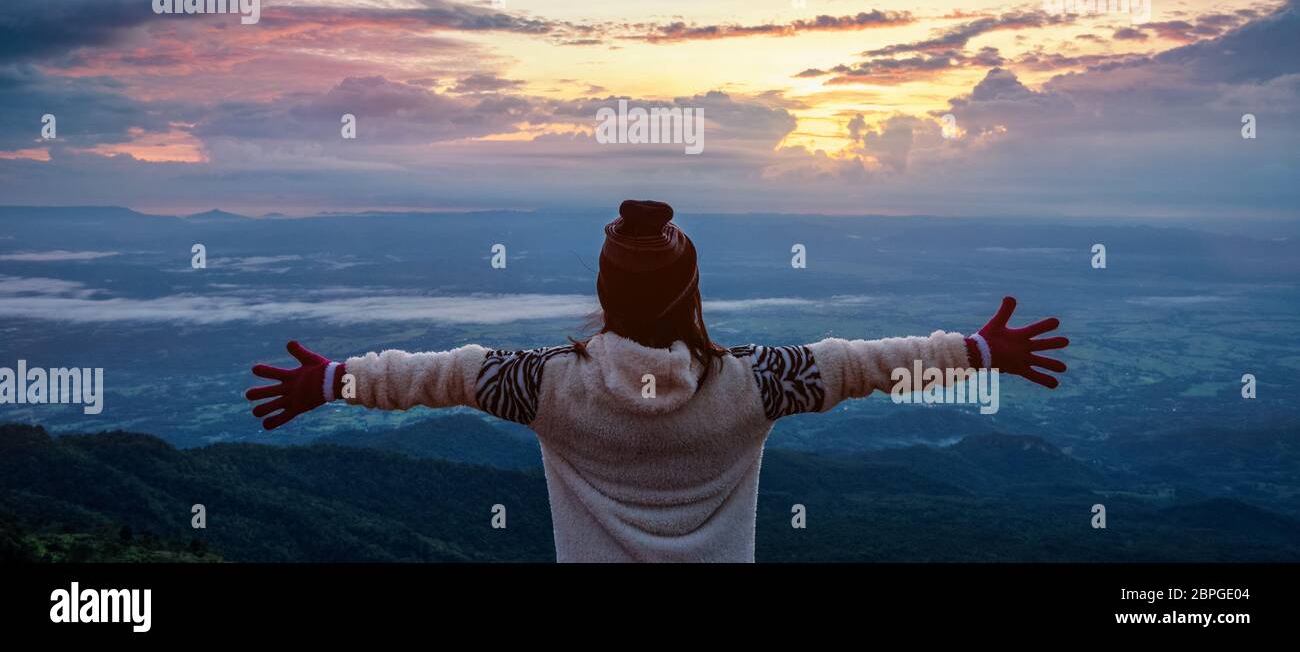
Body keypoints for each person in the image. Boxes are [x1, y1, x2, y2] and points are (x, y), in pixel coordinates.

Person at [245, 199, 1067, 562]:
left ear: (604, 293)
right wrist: (978, 350)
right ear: (694, 296)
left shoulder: (548, 387)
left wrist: (335, 381)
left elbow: (445, 376)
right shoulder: (755, 386)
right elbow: (862, 364)